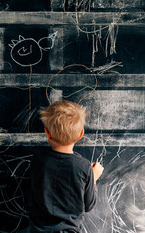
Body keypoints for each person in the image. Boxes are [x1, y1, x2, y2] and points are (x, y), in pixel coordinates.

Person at [30, 100, 104, 233]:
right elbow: (89, 204)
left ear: (47, 133)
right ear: (81, 134)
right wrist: (92, 178)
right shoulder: (83, 166)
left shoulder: (38, 160)